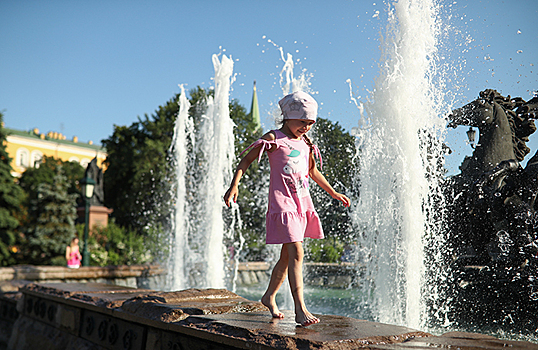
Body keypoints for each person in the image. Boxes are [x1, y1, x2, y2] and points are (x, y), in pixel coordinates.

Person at [224, 91, 351, 327]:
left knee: (287, 256)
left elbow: (312, 172)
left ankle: (269, 296)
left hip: (301, 204)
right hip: (283, 203)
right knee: (297, 252)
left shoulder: (305, 144)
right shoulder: (273, 138)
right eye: (302, 122)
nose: (306, 127)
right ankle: (300, 309)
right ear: (288, 117)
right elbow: (246, 160)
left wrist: (333, 192)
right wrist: (234, 186)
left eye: (310, 123)